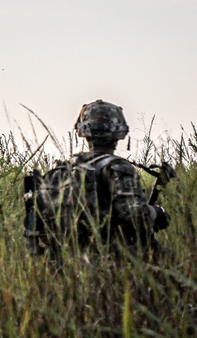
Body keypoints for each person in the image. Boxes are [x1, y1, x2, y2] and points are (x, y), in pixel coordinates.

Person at [25, 99, 171, 257]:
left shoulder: (63, 170)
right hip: (111, 262)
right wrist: (156, 212)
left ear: (83, 131)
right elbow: (135, 216)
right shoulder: (117, 167)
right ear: (119, 132)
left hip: (66, 261)